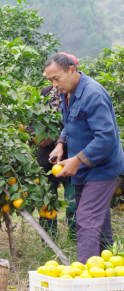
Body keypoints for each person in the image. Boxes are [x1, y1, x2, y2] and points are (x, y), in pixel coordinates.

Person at [45, 53, 124, 264]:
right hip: (83, 168)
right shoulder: (67, 91)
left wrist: (77, 160)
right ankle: (108, 271)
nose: (54, 85)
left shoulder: (93, 94)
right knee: (98, 222)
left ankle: (86, 277)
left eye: (56, 78)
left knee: (87, 219)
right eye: (50, 80)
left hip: (102, 167)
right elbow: (70, 124)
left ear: (72, 70)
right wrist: (61, 144)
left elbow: (106, 138)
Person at [35, 53, 77, 240]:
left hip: (72, 156)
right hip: (47, 156)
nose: (54, 83)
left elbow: (76, 126)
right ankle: (48, 239)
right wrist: (35, 135)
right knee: (46, 199)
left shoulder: (79, 94)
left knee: (73, 201)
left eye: (56, 78)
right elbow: (34, 120)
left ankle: (76, 238)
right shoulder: (45, 92)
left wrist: (56, 138)